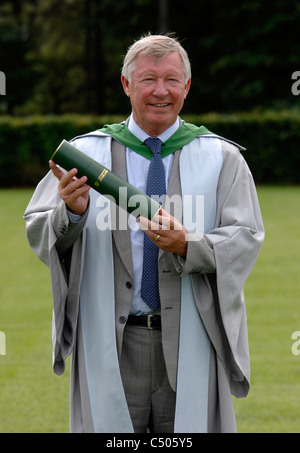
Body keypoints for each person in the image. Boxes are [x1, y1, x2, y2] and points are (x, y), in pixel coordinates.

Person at [24, 33, 264, 433]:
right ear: (126, 85)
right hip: (114, 342)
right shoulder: (87, 155)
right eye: (148, 79)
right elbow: (39, 230)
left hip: (193, 337)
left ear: (187, 86)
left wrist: (190, 245)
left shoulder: (223, 158)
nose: (160, 91)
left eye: (172, 80)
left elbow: (246, 237)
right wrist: (71, 211)